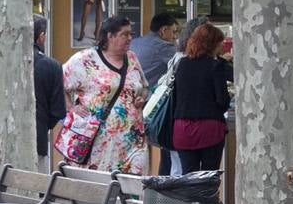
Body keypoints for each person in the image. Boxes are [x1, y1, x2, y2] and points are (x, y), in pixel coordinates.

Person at [61, 15, 150, 174]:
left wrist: (141, 97)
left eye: (131, 34)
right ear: (110, 36)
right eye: (124, 34)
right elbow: (59, 84)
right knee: (100, 188)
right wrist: (70, 108)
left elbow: (143, 86)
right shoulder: (85, 60)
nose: (130, 38)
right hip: (97, 142)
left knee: (134, 183)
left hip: (132, 140)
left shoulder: (132, 58)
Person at [170, 21, 234, 172]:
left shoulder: (182, 64)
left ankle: (190, 197)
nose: (222, 46)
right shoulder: (215, 66)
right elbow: (222, 101)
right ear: (212, 45)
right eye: (220, 43)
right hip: (209, 129)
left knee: (188, 177)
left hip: (182, 129)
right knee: (209, 177)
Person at [32, 15, 67, 172]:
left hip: (4, 142)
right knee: (38, 189)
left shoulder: (2, 62)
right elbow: (58, 111)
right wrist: (44, 124)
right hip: (38, 138)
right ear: (42, 36)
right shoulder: (52, 66)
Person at [131, 12, 182, 89]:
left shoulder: (134, 42)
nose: (175, 37)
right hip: (149, 96)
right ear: (163, 30)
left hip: (129, 93)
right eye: (173, 32)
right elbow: (182, 68)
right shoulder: (165, 47)